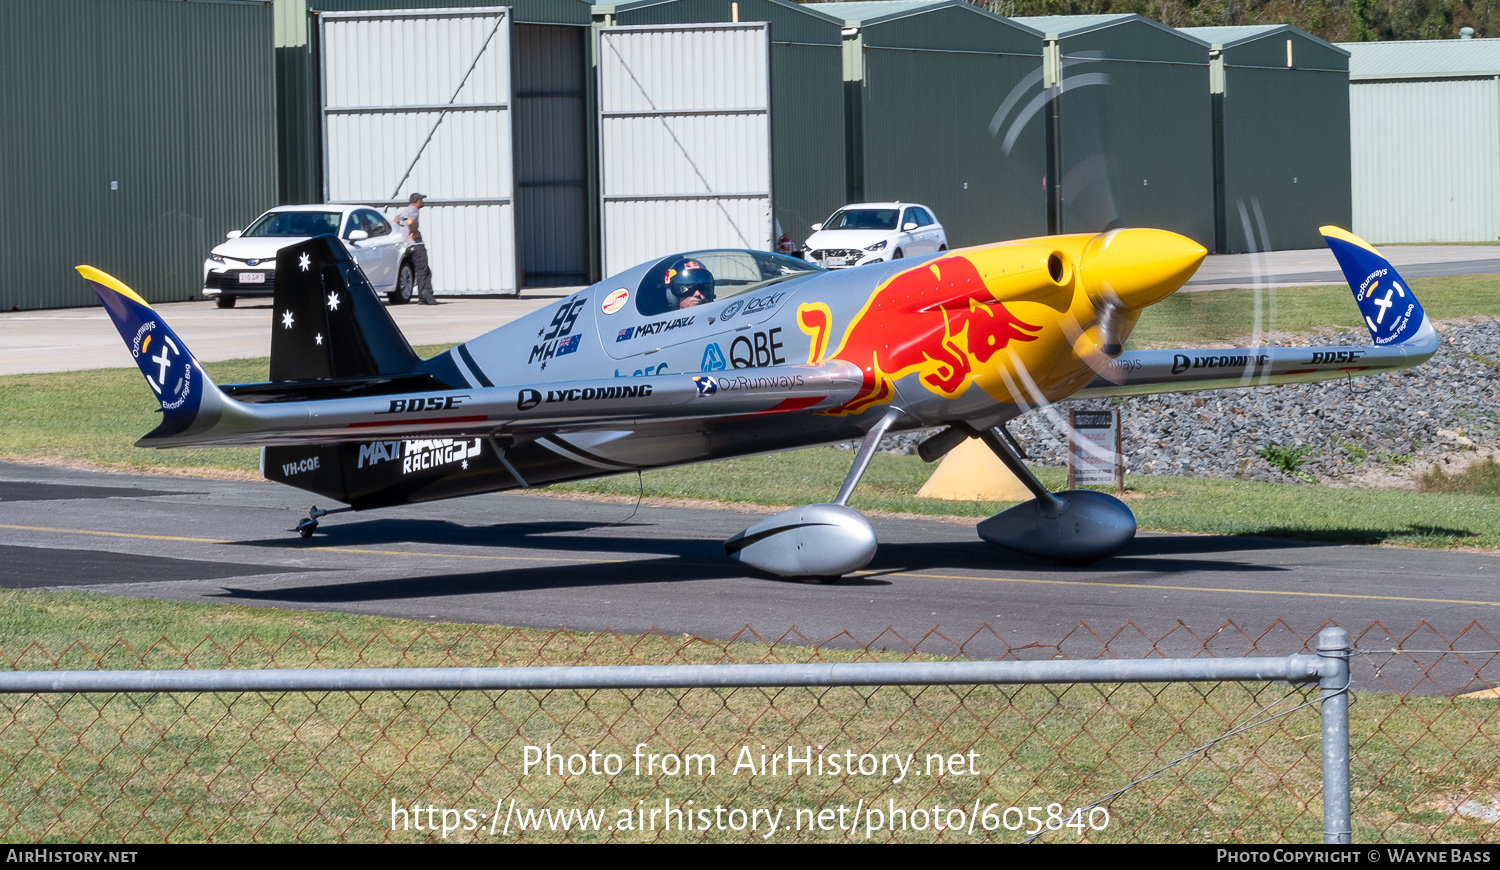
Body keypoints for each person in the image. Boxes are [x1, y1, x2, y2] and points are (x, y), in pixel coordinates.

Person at [395, 192, 437, 305]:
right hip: (416, 245)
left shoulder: (405, 211)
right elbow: (410, 221)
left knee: (422, 271)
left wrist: (402, 234)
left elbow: (395, 220)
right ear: (418, 201)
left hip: (407, 247)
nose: (422, 202)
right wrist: (413, 232)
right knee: (423, 271)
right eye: (422, 200)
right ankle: (425, 293)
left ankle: (422, 299)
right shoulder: (413, 210)